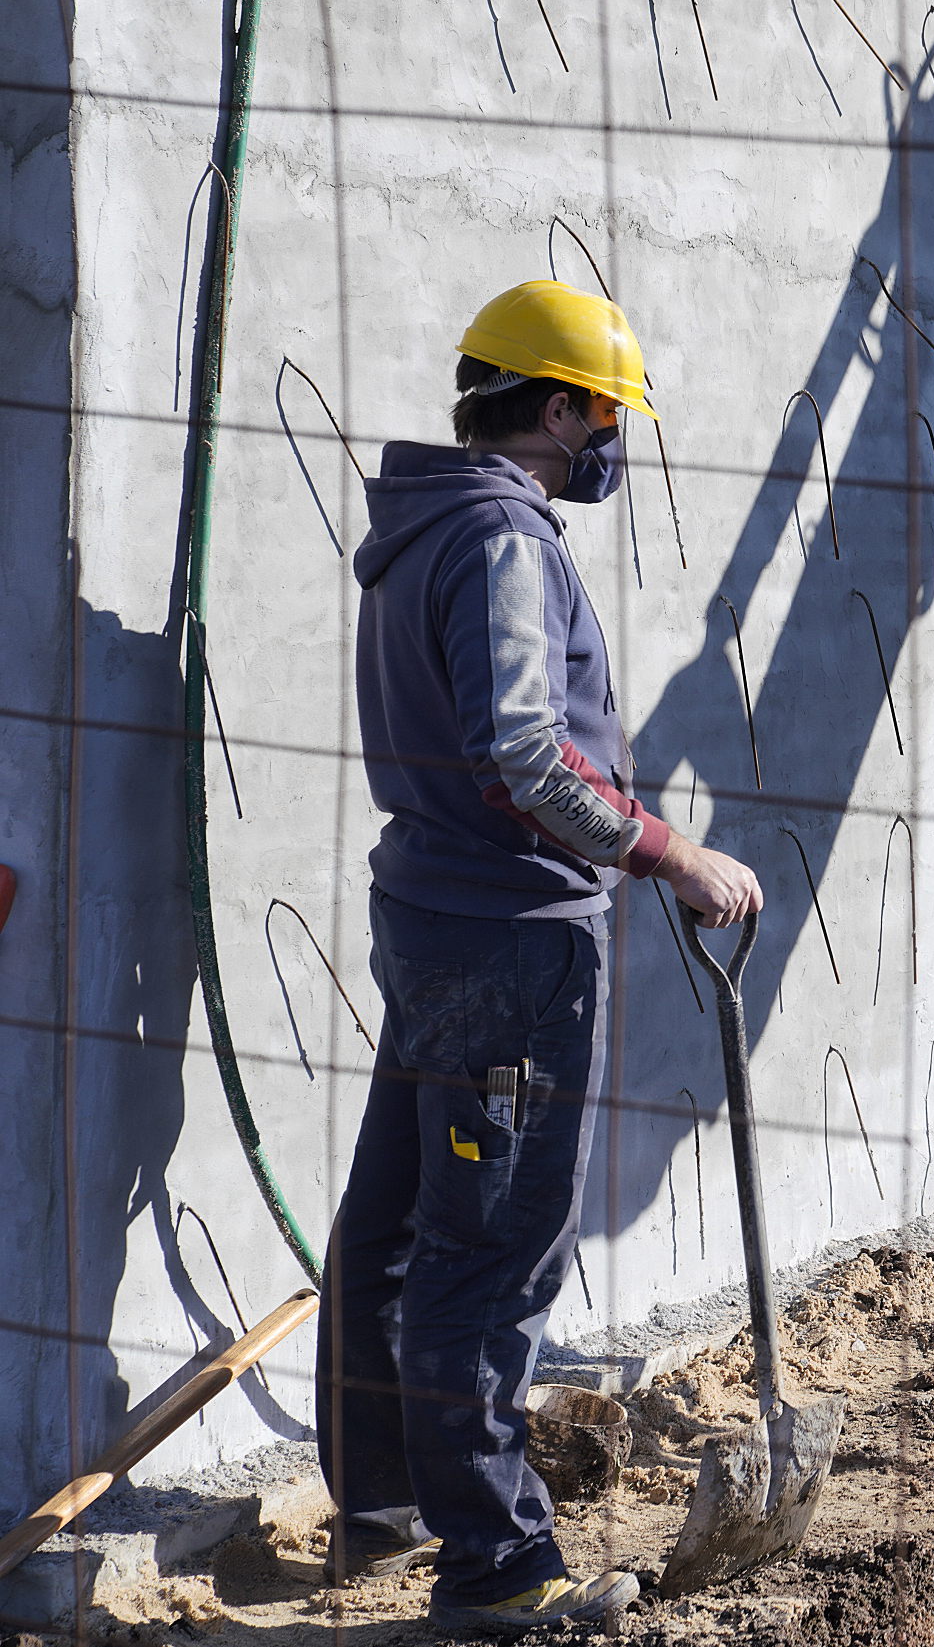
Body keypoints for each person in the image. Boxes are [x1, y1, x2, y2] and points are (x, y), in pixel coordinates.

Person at [323, 281, 761, 1633]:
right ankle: (500, 1568)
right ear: (562, 405)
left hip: (433, 919)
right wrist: (669, 851)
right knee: (493, 1251)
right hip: (510, 940)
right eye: (609, 411)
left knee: (395, 1219)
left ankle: (386, 1495)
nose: (613, 438)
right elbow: (524, 755)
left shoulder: (422, 530)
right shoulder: (507, 542)